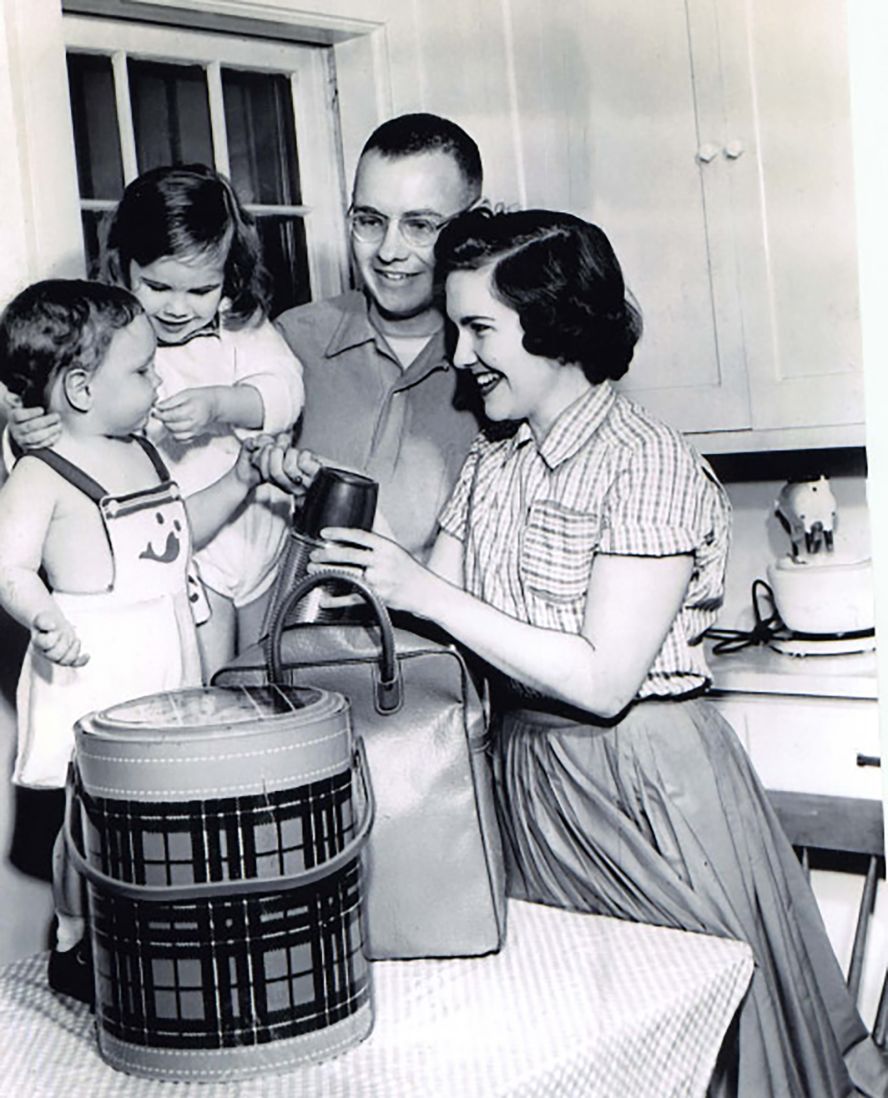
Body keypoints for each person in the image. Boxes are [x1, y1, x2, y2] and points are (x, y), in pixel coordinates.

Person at [267, 209, 887, 1097]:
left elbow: (602, 681)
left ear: (556, 326)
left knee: (698, 1046)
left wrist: (423, 590)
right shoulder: (496, 460)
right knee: (576, 1052)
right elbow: (432, 627)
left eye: (481, 328)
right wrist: (353, 579)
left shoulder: (649, 465)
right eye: (456, 329)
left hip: (646, 787)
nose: (462, 354)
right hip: (524, 777)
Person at [0, 279, 273, 1004]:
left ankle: (157, 933)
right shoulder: (41, 474)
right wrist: (43, 617)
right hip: (95, 669)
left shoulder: (145, 455)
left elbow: (179, 536)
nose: (158, 381)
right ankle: (75, 939)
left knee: (162, 813)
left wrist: (241, 480)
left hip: (163, 656)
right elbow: (8, 564)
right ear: (83, 389)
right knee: (88, 824)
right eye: (144, 369)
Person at [5, 164, 305, 676]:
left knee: (270, 671)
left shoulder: (240, 327)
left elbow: (286, 393)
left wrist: (221, 404)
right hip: (182, 548)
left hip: (263, 532)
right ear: (124, 266)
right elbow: (62, 433)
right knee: (211, 678)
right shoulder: (112, 340)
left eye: (200, 290)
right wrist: (23, 434)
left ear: (228, 276)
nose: (177, 308)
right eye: (158, 286)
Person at [274, 113, 485, 559]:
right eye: (370, 221)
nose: (389, 251)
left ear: (472, 224)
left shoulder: (499, 361)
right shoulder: (291, 340)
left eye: (421, 225)